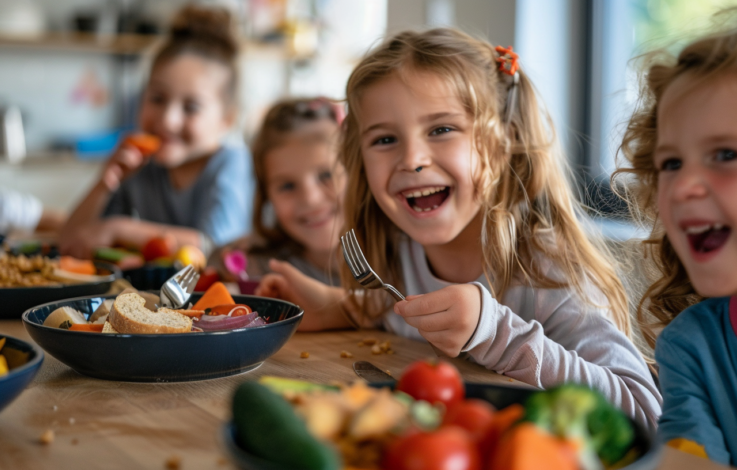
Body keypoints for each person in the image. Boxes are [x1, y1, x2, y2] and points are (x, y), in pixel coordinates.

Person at [256, 28, 661, 430]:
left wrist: (497, 334)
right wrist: (333, 305)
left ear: (502, 144)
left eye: (441, 129)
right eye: (384, 139)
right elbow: (396, 316)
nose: (412, 158)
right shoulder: (402, 253)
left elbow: (642, 409)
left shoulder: (550, 268)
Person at [613, 23, 737, 464]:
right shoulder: (691, 345)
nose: (683, 186)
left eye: (726, 154)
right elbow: (689, 458)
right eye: (671, 163)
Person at [60, 4, 254, 259]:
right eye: (157, 98)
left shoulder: (231, 162)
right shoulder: (143, 167)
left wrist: (120, 228)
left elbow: (217, 248)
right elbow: (69, 241)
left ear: (226, 120)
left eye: (191, 107)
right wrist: (104, 183)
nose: (168, 120)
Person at [213, 98, 346, 285]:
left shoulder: (399, 258)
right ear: (267, 197)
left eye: (326, 175)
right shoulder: (263, 269)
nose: (311, 198)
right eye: (287, 186)